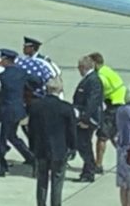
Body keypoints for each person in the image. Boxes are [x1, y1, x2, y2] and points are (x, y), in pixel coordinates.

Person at [0, 49, 39, 177]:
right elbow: (37, 81)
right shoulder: (21, 73)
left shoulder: (1, 76)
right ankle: (33, 159)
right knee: (13, 137)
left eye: (2, 59)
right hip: (18, 110)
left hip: (5, 111)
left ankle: (1, 168)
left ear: (6, 60)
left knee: (0, 140)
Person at [29, 77, 77, 206]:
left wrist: (32, 147)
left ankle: (41, 204)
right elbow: (71, 131)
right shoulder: (66, 108)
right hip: (59, 150)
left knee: (42, 181)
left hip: (41, 149)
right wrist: (73, 147)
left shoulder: (36, 106)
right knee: (57, 182)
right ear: (60, 89)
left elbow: (31, 129)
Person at [88, 52, 126, 174]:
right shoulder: (108, 71)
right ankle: (126, 162)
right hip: (122, 105)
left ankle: (98, 165)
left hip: (113, 107)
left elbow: (97, 94)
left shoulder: (100, 76)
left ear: (94, 63)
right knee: (114, 136)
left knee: (102, 137)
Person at [72, 56, 103, 182]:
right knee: (84, 145)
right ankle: (87, 171)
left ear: (84, 67)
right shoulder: (88, 79)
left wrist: (84, 120)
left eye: (79, 67)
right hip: (84, 118)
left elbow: (92, 102)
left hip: (88, 120)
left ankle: (89, 172)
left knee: (84, 146)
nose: (78, 70)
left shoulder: (93, 81)